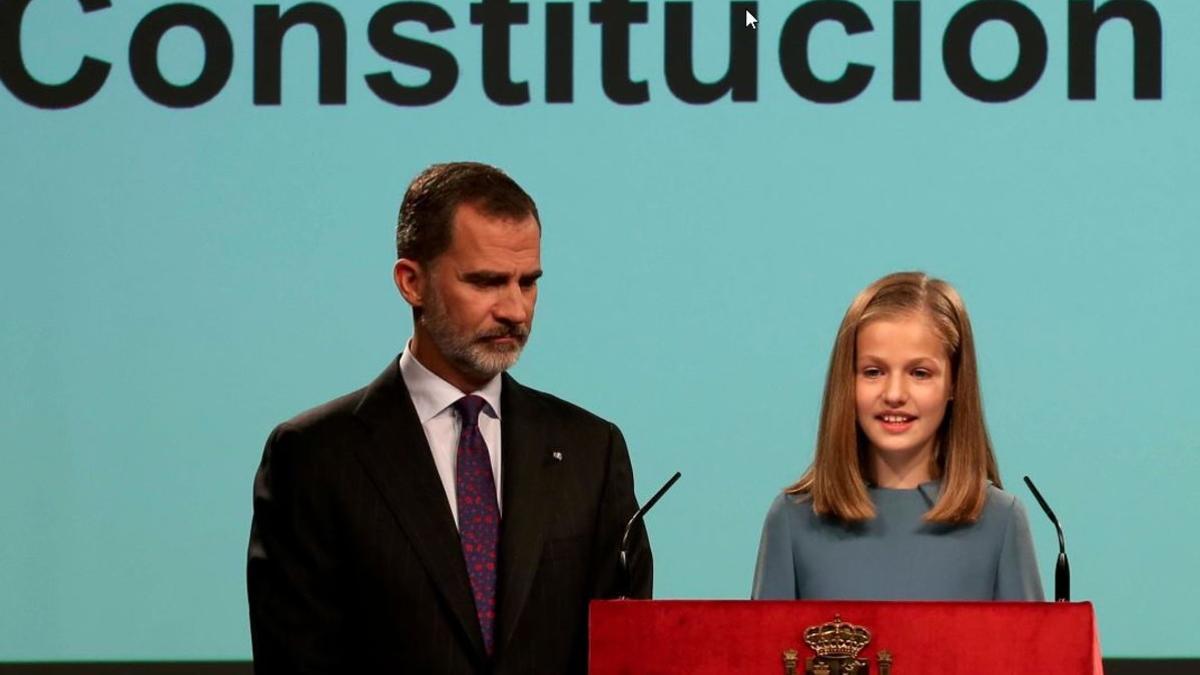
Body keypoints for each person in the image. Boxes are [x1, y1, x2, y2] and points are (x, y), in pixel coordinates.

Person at [247, 162, 652, 674]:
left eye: (528, 283)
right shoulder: (312, 457)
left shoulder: (592, 451)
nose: (515, 310)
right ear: (411, 282)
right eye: (486, 282)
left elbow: (629, 655)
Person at [752, 271, 1043, 601]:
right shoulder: (793, 519)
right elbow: (762, 651)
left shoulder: (1001, 521)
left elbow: (1028, 652)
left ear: (954, 384)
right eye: (873, 372)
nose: (894, 394)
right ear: (846, 382)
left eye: (920, 373)